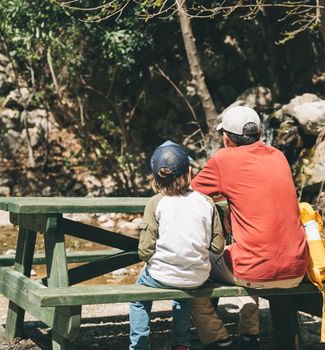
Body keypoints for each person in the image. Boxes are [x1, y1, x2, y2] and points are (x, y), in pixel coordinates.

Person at [190, 106, 310, 350]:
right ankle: (249, 336)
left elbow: (190, 196)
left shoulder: (225, 159)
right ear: (259, 133)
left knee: (197, 269)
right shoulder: (278, 156)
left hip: (257, 271)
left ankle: (217, 339)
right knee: (244, 254)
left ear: (226, 137)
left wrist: (224, 205)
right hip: (297, 267)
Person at [129, 140, 225, 350]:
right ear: (190, 172)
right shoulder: (206, 202)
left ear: (155, 177)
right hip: (197, 277)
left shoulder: (155, 203)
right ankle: (181, 343)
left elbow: (144, 250)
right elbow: (217, 247)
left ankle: (139, 345)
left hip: (163, 276)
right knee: (184, 295)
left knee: (138, 298)